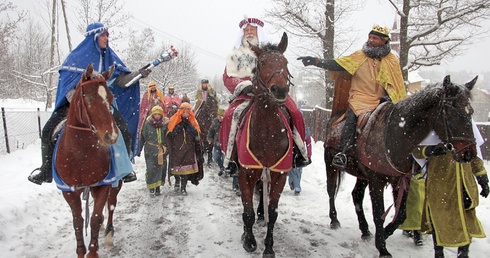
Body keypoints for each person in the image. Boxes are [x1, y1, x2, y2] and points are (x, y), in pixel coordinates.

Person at [27, 22, 165, 185]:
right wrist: (81, 104)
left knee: (123, 129)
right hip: (72, 105)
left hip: (101, 104)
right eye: (103, 35)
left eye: (107, 34)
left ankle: (124, 168)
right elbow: (66, 86)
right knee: (48, 130)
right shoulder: (76, 58)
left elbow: (122, 81)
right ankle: (46, 170)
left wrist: (139, 74)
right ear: (94, 37)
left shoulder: (110, 57)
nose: (107, 38)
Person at [298, 24, 406, 168]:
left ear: (384, 41)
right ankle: (342, 152)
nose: (371, 40)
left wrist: (389, 98)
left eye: (375, 38)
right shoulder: (359, 56)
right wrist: (316, 62)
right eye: (370, 37)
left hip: (382, 101)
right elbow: (338, 64)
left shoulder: (392, 61)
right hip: (360, 98)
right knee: (352, 119)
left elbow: (396, 86)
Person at [220, 17, 310, 182]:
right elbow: (227, 78)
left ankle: (300, 153)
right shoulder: (236, 54)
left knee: (295, 112)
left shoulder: (271, 53)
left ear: (258, 32)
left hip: (272, 94)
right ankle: (230, 157)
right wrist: (243, 85)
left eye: (252, 30)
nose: (249, 33)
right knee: (229, 116)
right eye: (246, 30)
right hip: (245, 95)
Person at [411, 126, 489, 257]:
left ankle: (464, 253)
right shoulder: (431, 128)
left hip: (465, 185)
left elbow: (474, 157)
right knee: (439, 220)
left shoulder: (464, 131)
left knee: (466, 220)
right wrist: (429, 149)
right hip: (439, 187)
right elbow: (416, 150)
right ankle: (439, 253)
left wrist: (482, 178)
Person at [166, 102, 204, 195]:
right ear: (181, 112)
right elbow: (170, 134)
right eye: (184, 112)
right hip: (177, 149)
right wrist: (179, 126)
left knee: (185, 171)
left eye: (188, 112)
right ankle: (177, 182)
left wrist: (189, 126)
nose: (186, 114)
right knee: (177, 169)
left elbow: (197, 135)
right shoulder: (174, 120)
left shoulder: (193, 122)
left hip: (188, 149)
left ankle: (183, 188)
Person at [140, 106, 169, 196]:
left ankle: (158, 187)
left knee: (161, 168)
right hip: (150, 149)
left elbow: (167, 136)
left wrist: (167, 147)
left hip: (161, 149)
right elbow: (143, 136)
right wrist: (139, 148)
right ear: (152, 114)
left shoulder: (164, 124)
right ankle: (151, 186)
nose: (157, 116)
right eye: (155, 114)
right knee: (151, 168)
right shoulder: (147, 124)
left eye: (158, 114)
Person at [288, 127, 312, 195]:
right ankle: (294, 184)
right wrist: (309, 154)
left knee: (293, 169)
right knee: (297, 169)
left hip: (293, 151)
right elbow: (308, 143)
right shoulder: (304, 129)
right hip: (300, 151)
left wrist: (309, 154)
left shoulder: (291, 128)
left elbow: (308, 142)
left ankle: (295, 185)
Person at [207, 108, 226, 176]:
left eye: (221, 116)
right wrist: (209, 138)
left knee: (225, 160)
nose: (220, 117)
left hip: (224, 145)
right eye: (219, 116)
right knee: (216, 158)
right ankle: (221, 168)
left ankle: (225, 170)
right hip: (217, 144)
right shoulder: (215, 122)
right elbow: (211, 131)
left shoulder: (227, 122)